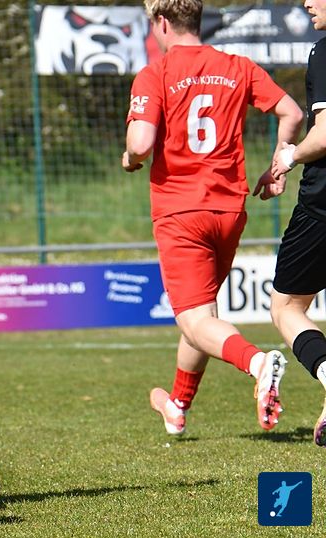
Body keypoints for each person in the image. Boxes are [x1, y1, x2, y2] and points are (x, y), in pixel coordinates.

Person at [122, 0, 304, 435]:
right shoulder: (237, 67)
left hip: (181, 210)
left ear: (161, 22)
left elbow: (141, 143)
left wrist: (129, 157)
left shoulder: (155, 73)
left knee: (194, 319)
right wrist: (277, 168)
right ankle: (177, 405)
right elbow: (292, 112)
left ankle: (258, 363)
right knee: (203, 315)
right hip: (228, 210)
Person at [268, 0, 326, 448]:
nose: (306, 2)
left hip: (322, 206)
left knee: (286, 307)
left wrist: (289, 156)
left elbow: (324, 135)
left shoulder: (324, 51)